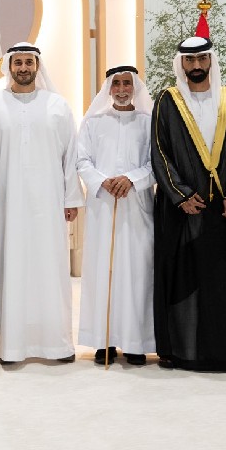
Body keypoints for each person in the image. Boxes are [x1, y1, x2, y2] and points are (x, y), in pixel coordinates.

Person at [0, 43, 84, 364]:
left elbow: (71, 155)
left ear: (37, 66)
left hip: (48, 204)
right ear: (9, 66)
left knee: (50, 270)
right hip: (5, 204)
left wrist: (70, 197)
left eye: (29, 62)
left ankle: (57, 344)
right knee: (8, 269)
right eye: (18, 63)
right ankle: (11, 347)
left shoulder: (57, 105)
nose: (24, 68)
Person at [151, 36, 226, 372]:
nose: (196, 66)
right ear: (181, 63)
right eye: (190, 60)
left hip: (221, 211)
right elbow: (159, 151)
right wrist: (180, 194)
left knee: (222, 281)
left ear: (210, 61)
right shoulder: (168, 100)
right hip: (181, 210)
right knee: (182, 281)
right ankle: (181, 352)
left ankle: (224, 353)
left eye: (201, 59)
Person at [76, 65, 156, 366]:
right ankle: (104, 341)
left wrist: (132, 179)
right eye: (116, 84)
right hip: (103, 207)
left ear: (135, 87)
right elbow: (81, 160)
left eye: (127, 84)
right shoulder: (94, 122)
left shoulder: (148, 122)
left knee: (137, 274)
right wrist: (102, 181)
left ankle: (136, 342)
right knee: (103, 273)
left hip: (137, 208)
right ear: (108, 89)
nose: (122, 89)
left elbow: (156, 163)